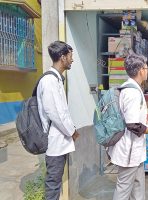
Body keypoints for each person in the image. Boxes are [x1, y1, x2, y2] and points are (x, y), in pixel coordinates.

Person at [108, 53, 148, 200]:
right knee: (123, 188)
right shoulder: (132, 92)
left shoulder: (131, 88)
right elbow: (132, 124)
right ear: (141, 70)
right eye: (146, 68)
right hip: (129, 150)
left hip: (136, 150)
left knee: (138, 185)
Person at [37, 41, 80, 200]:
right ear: (62, 57)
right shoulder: (49, 81)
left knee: (55, 183)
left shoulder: (56, 79)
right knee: (53, 184)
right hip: (54, 143)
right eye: (70, 56)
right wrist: (72, 131)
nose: (72, 59)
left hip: (59, 142)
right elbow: (55, 113)